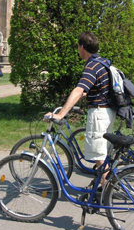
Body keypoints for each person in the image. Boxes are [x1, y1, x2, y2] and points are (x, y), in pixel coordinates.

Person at [44, 32, 116, 187]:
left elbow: (78, 90)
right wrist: (81, 97)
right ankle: (103, 187)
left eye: (78, 46)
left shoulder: (91, 66)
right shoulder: (102, 62)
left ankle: (106, 191)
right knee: (102, 153)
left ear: (82, 47)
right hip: (108, 112)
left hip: (99, 113)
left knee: (99, 155)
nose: (77, 49)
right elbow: (96, 88)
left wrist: (61, 114)